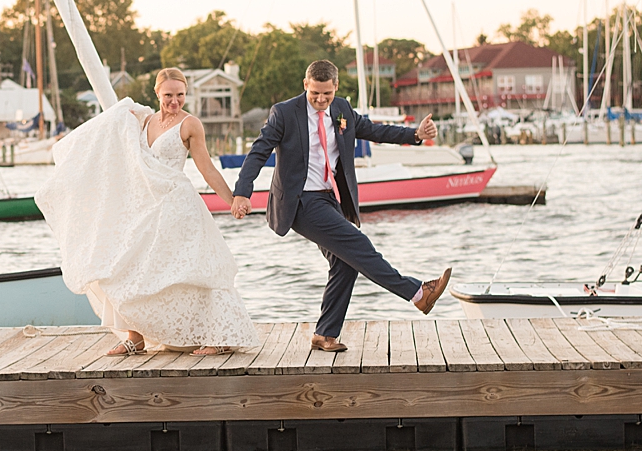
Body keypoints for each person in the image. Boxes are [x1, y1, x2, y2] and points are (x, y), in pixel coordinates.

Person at [230, 59, 452, 352]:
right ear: (305, 85)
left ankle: (324, 334)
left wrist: (414, 135)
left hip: (329, 198)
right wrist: (242, 192)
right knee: (358, 245)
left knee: (346, 263)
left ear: (335, 87)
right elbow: (259, 151)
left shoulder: (342, 109)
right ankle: (417, 292)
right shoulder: (284, 113)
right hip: (300, 201)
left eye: (327, 94)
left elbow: (373, 130)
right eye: (315, 94)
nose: (321, 100)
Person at [35, 67, 257, 356]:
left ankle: (217, 336)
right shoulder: (141, 121)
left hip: (178, 206)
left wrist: (233, 199)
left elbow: (207, 168)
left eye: (180, 95)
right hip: (146, 207)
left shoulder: (191, 125)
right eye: (168, 95)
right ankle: (135, 337)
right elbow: (112, 149)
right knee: (131, 266)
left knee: (196, 268)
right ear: (157, 93)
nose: (174, 101)